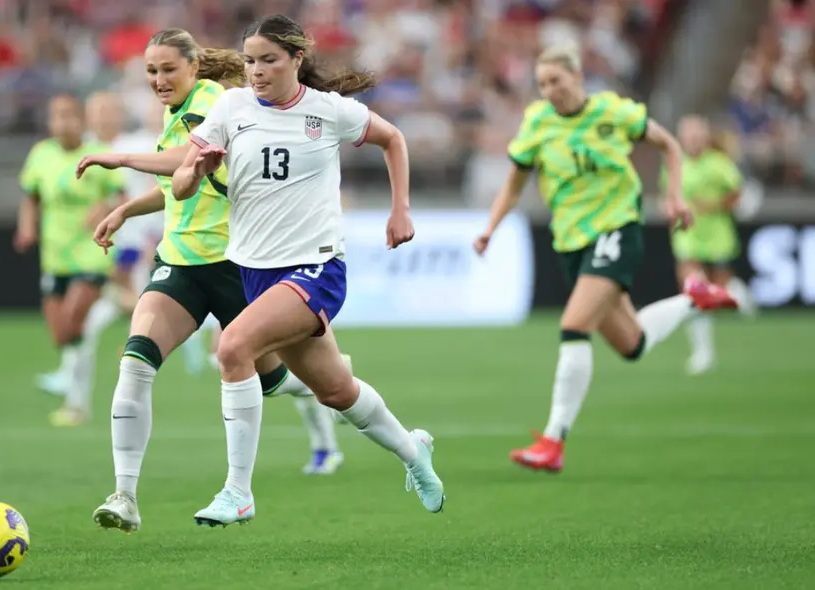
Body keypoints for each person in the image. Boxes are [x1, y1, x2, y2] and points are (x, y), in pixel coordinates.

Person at [169, 14, 445, 526]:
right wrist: (197, 168)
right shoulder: (230, 108)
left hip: (316, 266)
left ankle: (237, 491)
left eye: (269, 60)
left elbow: (394, 140)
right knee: (337, 391)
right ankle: (414, 452)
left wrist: (400, 209)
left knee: (231, 347)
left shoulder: (328, 111)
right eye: (250, 60)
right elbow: (183, 184)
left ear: (297, 59)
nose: (256, 70)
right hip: (256, 273)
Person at [81, 27, 347, 534]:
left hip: (235, 264)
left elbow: (187, 160)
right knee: (136, 362)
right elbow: (180, 186)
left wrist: (120, 158)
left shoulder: (213, 101)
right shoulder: (175, 110)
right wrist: (127, 211)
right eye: (151, 73)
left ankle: (321, 394)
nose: (159, 80)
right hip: (181, 264)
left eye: (167, 70)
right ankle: (125, 496)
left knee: (277, 380)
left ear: (192, 67)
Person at [472, 44, 739, 473]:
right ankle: (695, 300)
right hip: (571, 241)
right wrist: (489, 228)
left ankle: (554, 440)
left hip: (616, 228)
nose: (549, 90)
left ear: (577, 77)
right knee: (631, 344)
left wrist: (673, 198)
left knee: (574, 325)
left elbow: (668, 144)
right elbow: (513, 185)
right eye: (542, 84)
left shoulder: (612, 111)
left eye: (556, 81)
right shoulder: (537, 123)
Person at [35, 92, 165, 397]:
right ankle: (74, 394)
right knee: (94, 322)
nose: (104, 116)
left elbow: (162, 181)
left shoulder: (137, 145)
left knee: (110, 315)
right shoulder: (84, 149)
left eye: (109, 109)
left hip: (128, 243)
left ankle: (74, 386)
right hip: (93, 247)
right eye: (98, 110)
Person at [14, 94, 125, 427]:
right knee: (62, 332)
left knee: (76, 316)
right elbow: (31, 196)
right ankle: (74, 387)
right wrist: (26, 226)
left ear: (82, 121)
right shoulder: (41, 155)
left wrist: (104, 208)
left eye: (69, 117)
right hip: (55, 255)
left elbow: (121, 196)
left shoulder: (100, 155)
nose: (62, 123)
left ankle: (73, 390)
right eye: (56, 117)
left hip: (92, 251)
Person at [663, 115, 758, 375]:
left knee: (722, 290)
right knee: (694, 292)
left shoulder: (719, 164)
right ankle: (703, 353)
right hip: (687, 237)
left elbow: (738, 196)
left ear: (704, 138)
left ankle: (741, 295)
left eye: (696, 136)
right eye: (688, 137)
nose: (692, 141)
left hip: (717, 237)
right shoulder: (675, 165)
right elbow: (669, 195)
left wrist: (710, 205)